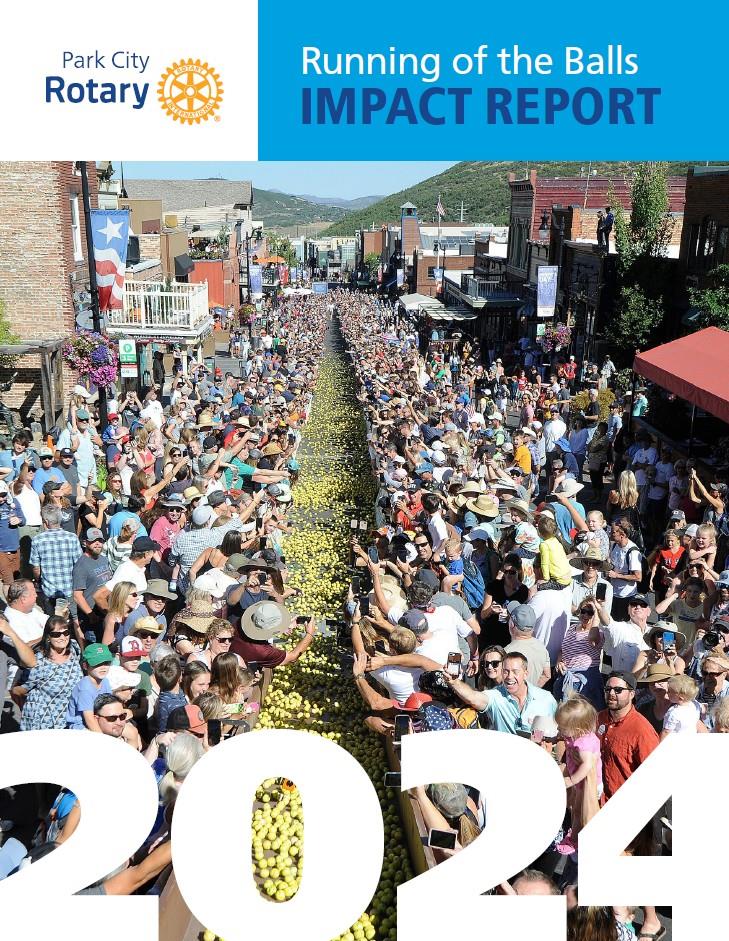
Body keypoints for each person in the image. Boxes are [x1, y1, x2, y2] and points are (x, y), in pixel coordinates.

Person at [444, 651, 557, 735]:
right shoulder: (496, 696)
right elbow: (472, 697)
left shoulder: (546, 699)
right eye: (506, 671)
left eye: (515, 672)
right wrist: (454, 682)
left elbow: (559, 732)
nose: (509, 676)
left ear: (525, 674)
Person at [597, 671, 659, 801]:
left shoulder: (642, 730)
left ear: (632, 694)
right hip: (595, 800)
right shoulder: (598, 718)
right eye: (608, 689)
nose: (611, 693)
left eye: (618, 690)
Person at [554, 695, 602, 855]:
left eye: (562, 727)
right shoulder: (575, 736)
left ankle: (575, 839)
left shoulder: (583, 744)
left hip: (588, 783)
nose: (559, 729)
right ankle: (575, 833)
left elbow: (588, 765)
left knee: (579, 811)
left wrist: (571, 780)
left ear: (577, 728)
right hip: (580, 781)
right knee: (575, 808)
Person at [504, 603, 551, 688]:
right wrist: (531, 691)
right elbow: (547, 675)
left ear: (512, 625)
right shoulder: (542, 648)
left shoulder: (506, 652)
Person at [660, 673, 702, 739]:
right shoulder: (695, 705)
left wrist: (660, 743)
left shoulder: (674, 712)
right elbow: (704, 709)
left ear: (680, 698)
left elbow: (666, 732)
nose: (667, 692)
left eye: (670, 691)